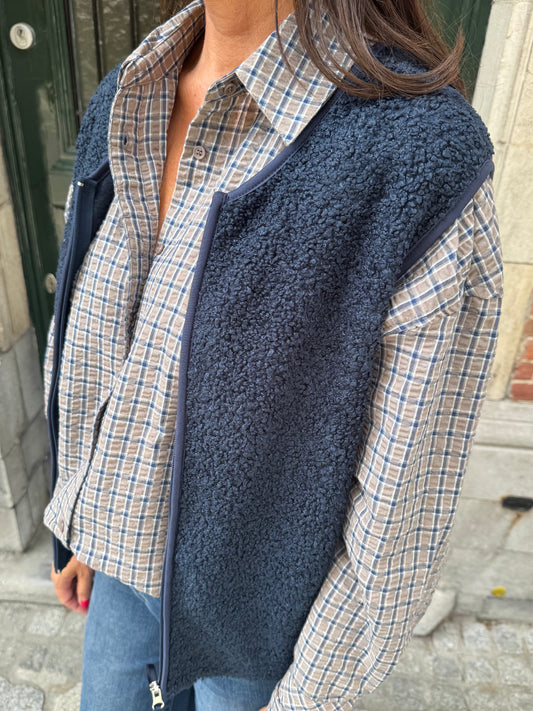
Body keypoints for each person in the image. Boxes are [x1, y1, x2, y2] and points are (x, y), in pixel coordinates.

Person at [43, 0, 503, 709]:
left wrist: (306, 695)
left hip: (257, 633)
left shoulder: (417, 152)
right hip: (117, 566)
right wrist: (78, 519)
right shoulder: (129, 93)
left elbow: (404, 500)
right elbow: (96, 348)